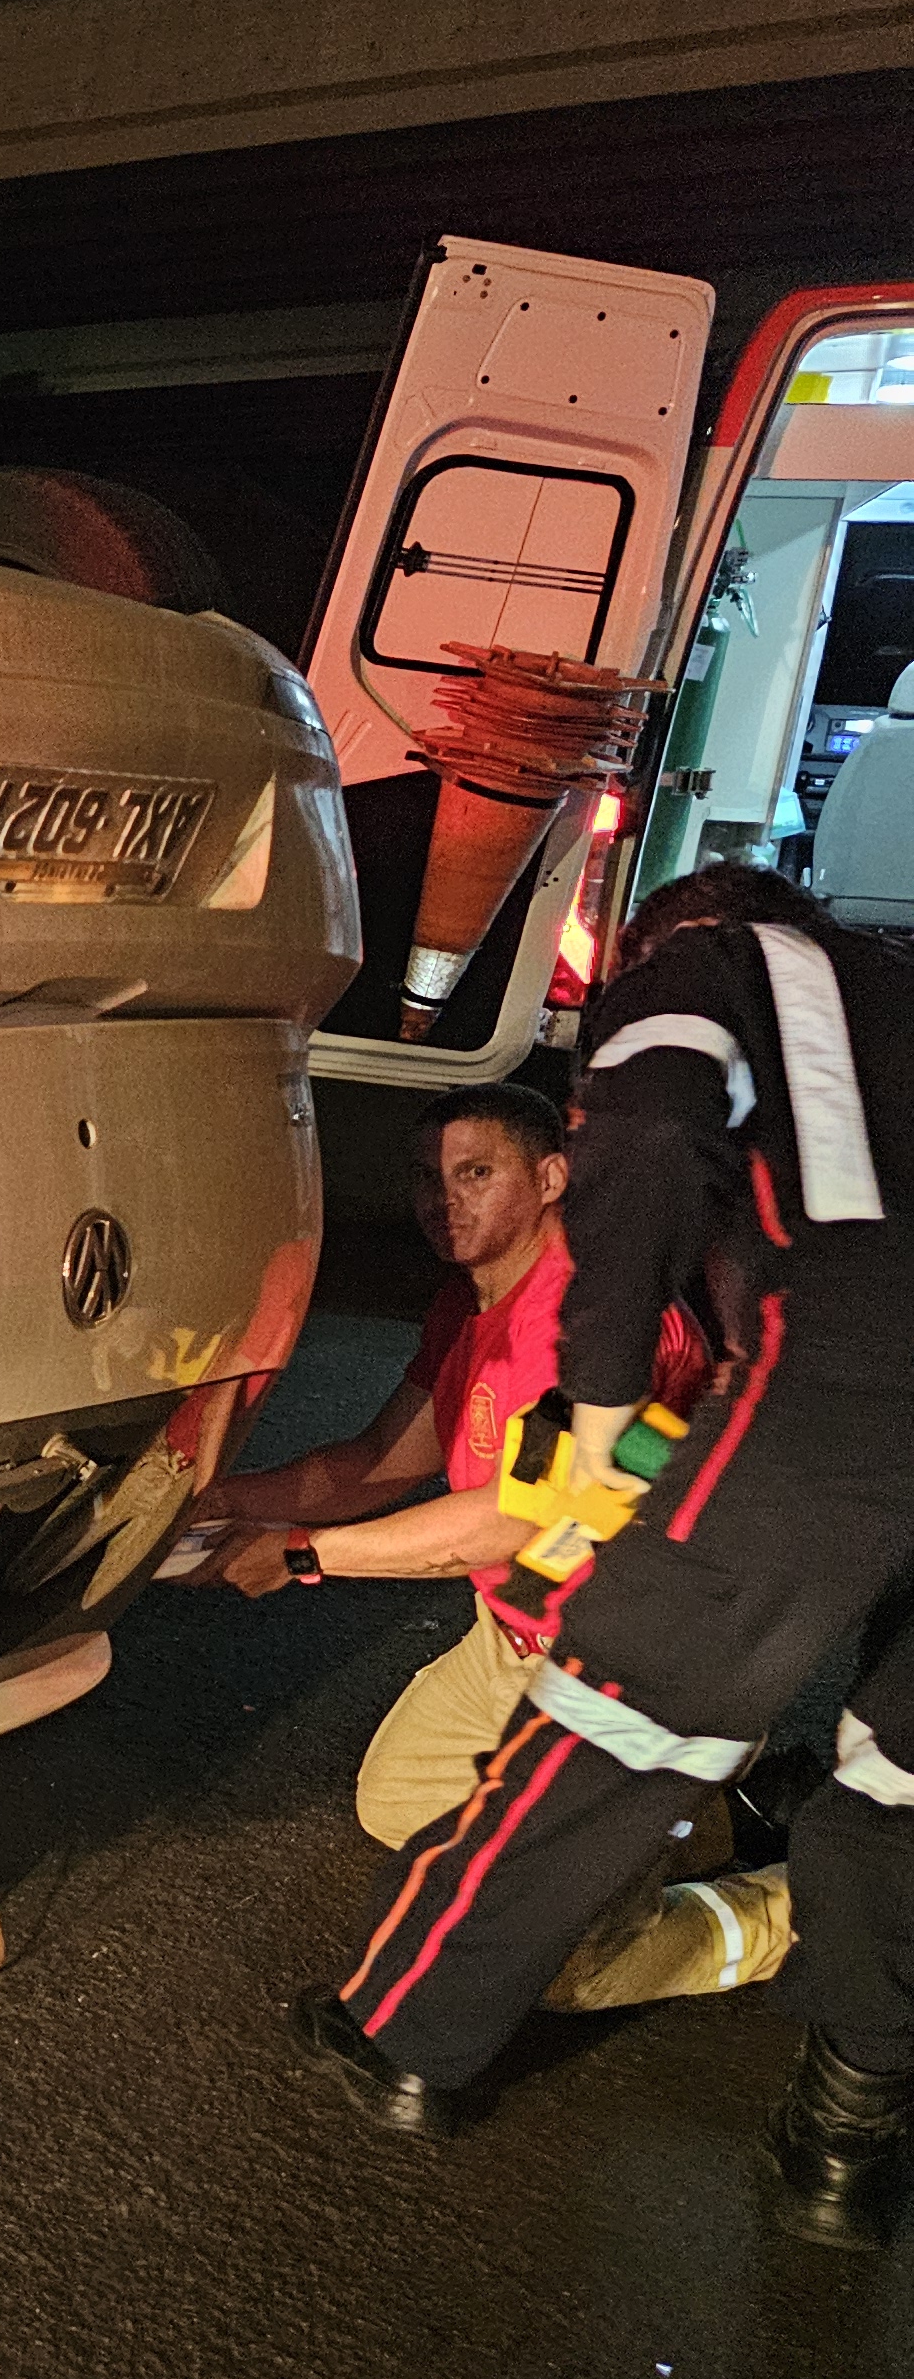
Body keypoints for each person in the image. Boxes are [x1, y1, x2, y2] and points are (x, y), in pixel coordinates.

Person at [289, 869, 914, 2236]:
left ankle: (406, 2038)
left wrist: (605, 1395)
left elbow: (644, 1139)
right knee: (903, 1776)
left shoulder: (715, 963)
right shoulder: (889, 989)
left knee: (614, 1716)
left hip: (846, 1384)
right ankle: (844, 2142)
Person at [196, 1084, 776, 2009]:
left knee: (561, 1968)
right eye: (428, 1178)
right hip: (516, 1640)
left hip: (645, 1663)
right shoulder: (469, 1303)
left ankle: (805, 1904)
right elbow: (378, 1463)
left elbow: (512, 1520)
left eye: (475, 1173)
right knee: (393, 1806)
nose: (443, 1201)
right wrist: (207, 1498)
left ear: (552, 1177)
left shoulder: (600, 1330)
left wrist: (303, 1555)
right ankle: (669, 1811)